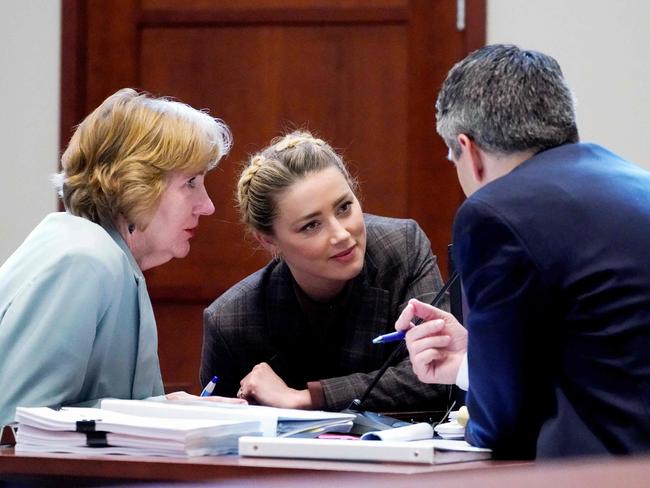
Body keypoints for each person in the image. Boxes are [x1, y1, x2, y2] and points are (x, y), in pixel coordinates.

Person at [395, 44, 650, 459]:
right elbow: (598, 356)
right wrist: (471, 362)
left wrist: (485, 385)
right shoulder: (637, 183)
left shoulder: (493, 212)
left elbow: (502, 425)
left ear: (469, 150)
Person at [0, 88, 242, 426]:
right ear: (136, 181)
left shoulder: (107, 256)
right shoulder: (83, 260)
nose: (207, 206)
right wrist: (155, 412)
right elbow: (17, 426)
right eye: (191, 183)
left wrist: (164, 405)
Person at [200, 130, 451, 412]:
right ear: (268, 240)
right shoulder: (231, 320)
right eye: (311, 225)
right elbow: (217, 432)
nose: (341, 234)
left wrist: (303, 398)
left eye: (344, 208)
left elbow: (438, 372)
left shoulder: (401, 246)